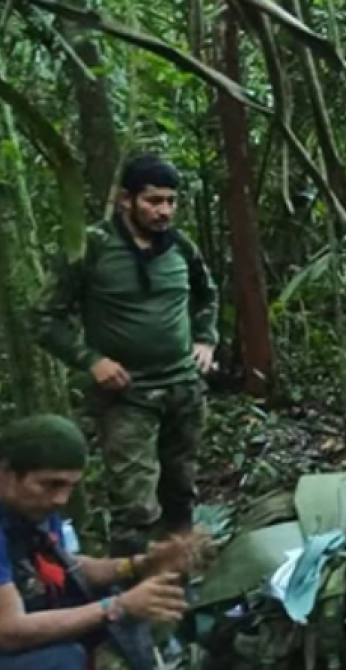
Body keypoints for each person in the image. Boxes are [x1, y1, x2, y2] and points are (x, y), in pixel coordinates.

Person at [34, 154, 218, 556]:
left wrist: (205, 340)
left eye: (171, 201)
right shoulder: (90, 248)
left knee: (181, 491)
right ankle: (132, 586)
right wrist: (91, 361)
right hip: (127, 394)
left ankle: (179, 577)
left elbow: (207, 296)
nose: (164, 210)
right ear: (125, 200)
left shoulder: (181, 247)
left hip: (183, 388)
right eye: (153, 201)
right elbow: (45, 319)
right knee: (135, 505)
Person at [0, 415, 204, 670]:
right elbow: (6, 631)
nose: (61, 499)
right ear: (6, 472)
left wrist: (139, 564)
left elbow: (68, 567)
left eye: (70, 486)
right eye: (51, 484)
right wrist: (117, 607)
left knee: (108, 599)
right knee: (63, 659)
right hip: (0, 637)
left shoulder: (30, 507)